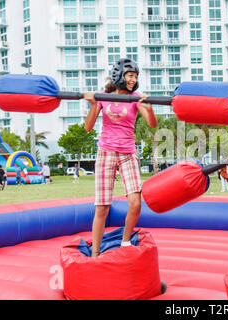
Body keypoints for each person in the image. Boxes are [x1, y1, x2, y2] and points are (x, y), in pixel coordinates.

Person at [84, 58, 157, 257]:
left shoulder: (136, 98)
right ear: (119, 75)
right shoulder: (103, 97)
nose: (133, 80)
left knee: (135, 202)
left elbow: (152, 124)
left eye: (135, 77)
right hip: (106, 152)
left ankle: (125, 241)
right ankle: (95, 253)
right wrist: (92, 104)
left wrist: (149, 109)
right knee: (102, 207)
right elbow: (88, 127)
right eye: (130, 76)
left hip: (127, 153)